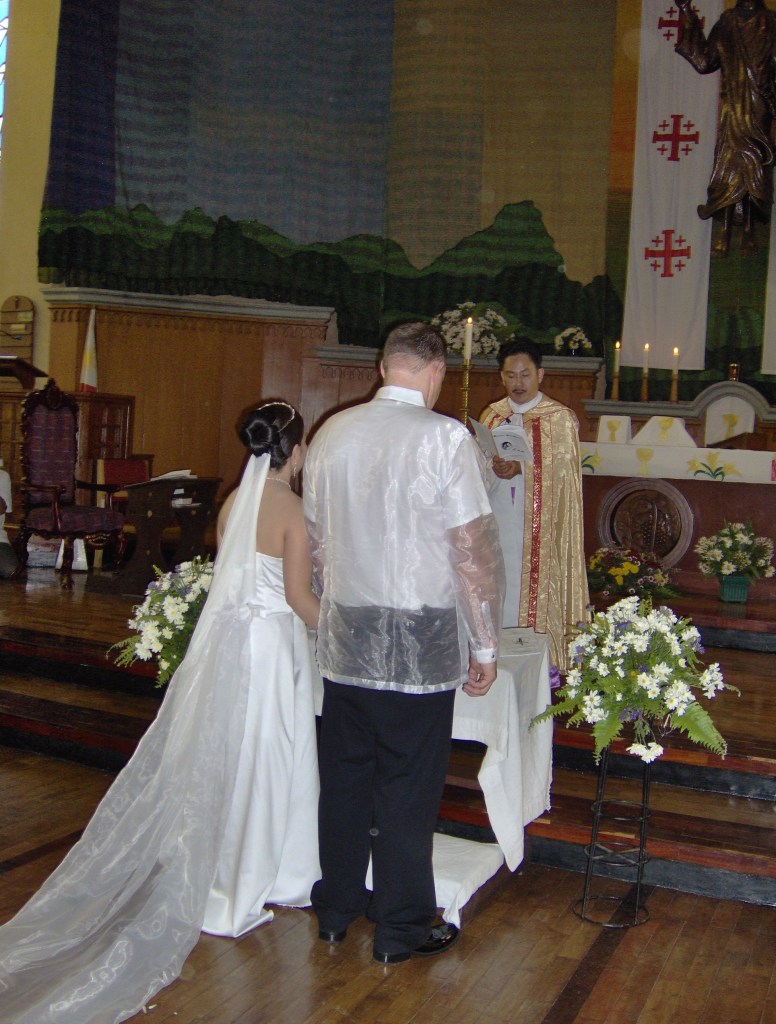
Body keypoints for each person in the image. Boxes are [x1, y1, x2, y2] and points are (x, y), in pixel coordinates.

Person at [0, 402, 321, 1024]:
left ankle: (224, 870)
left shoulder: (233, 505)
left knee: (234, 757)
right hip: (274, 649)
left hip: (234, 645)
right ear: (297, 450)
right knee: (270, 756)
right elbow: (300, 598)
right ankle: (272, 874)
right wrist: (342, 627)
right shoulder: (293, 511)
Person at [304, 321, 505, 966]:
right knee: (408, 789)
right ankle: (400, 928)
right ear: (436, 371)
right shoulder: (445, 437)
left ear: (383, 366)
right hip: (419, 641)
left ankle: (334, 910)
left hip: (347, 637)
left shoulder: (331, 431)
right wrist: (485, 647)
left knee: (344, 782)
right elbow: (471, 553)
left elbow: (315, 545)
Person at [479, 338, 589, 675]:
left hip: (539, 530)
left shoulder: (560, 419)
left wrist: (522, 469)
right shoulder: (493, 415)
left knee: (528, 588)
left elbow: (565, 479)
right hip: (499, 521)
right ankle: (492, 655)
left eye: (525, 374)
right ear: (501, 377)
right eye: (510, 376)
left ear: (540, 374)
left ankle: (543, 665)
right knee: (502, 585)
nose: (518, 383)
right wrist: (492, 466)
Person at [676, 0, 776, 256]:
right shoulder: (727, 22)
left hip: (758, 105)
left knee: (755, 165)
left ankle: (749, 231)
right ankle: (724, 232)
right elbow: (705, 60)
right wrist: (687, 12)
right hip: (732, 107)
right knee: (729, 165)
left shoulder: (771, 22)